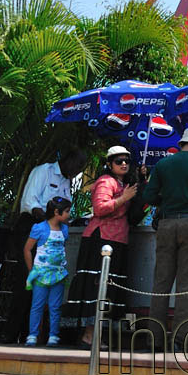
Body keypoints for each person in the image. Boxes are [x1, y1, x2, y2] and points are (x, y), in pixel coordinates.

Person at [139, 126, 188, 350]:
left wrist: (167, 198)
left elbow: (148, 196)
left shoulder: (163, 165)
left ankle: (154, 340)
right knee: (186, 285)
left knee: (161, 284)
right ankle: (178, 340)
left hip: (166, 224)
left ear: (182, 143)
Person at [0, 148, 86, 344]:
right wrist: (48, 219)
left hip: (52, 234)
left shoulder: (67, 182)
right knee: (27, 279)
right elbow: (30, 201)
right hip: (32, 226)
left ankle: (29, 333)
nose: (78, 170)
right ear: (67, 160)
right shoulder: (43, 171)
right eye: (78, 165)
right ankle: (10, 333)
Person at [63, 146, 137, 346]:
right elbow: (99, 208)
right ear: (109, 164)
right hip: (102, 240)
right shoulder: (106, 181)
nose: (123, 164)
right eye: (118, 160)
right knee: (97, 288)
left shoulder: (125, 183)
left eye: (126, 161)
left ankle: (97, 335)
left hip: (118, 240)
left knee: (110, 289)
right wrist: (123, 198)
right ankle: (89, 335)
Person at [23, 197, 71, 346]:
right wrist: (32, 270)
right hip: (41, 274)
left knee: (55, 306)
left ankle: (53, 335)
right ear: (57, 212)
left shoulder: (64, 229)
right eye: (67, 211)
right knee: (37, 305)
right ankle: (32, 335)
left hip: (58, 274)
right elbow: (27, 249)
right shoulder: (39, 228)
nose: (69, 214)